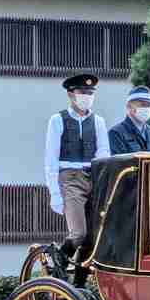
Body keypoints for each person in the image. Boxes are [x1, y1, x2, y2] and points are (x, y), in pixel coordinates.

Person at [45, 73, 110, 259]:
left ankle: (79, 284)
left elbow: (104, 153)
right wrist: (55, 194)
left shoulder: (98, 121)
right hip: (70, 178)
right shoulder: (57, 120)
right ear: (71, 94)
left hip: (93, 176)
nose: (87, 96)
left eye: (90, 92)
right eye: (82, 92)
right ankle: (58, 263)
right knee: (79, 233)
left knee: (92, 238)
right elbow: (50, 158)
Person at [109, 85, 150, 154]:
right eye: (142, 105)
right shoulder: (116, 133)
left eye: (149, 105)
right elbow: (117, 162)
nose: (146, 108)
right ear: (129, 107)